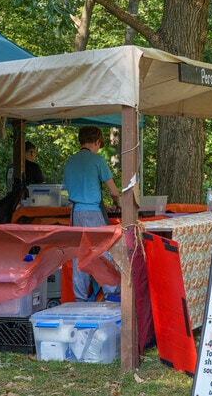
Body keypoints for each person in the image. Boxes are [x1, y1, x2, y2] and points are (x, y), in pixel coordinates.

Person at [63, 126, 122, 301]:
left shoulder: (70, 161)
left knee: (79, 256)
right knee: (103, 253)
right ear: (96, 141)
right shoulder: (98, 160)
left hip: (76, 214)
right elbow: (113, 191)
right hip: (93, 215)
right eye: (99, 145)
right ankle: (112, 294)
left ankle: (79, 298)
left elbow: (69, 192)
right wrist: (117, 204)